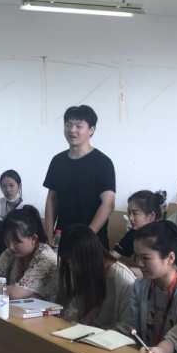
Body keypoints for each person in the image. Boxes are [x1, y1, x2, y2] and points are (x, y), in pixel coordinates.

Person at [120, 221, 177, 353]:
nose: (139, 263)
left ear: (170, 258)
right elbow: (131, 329)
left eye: (146, 258)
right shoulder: (140, 284)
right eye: (136, 257)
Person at [43, 105, 116, 247]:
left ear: (91, 130)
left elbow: (108, 204)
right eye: (68, 125)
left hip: (91, 241)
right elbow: (52, 198)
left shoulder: (103, 162)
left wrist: (86, 236)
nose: (72, 130)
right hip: (62, 238)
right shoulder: (57, 161)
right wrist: (49, 235)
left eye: (79, 126)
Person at [0, 206, 58, 301]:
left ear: (33, 239)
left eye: (16, 241)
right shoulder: (10, 253)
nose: (11, 246)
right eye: (7, 240)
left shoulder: (44, 257)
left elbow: (16, 293)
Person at [57, 224, 134, 329]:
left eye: (73, 261)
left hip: (110, 336)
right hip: (82, 332)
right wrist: (71, 320)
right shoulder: (82, 269)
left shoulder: (122, 278)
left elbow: (127, 325)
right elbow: (74, 309)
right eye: (68, 261)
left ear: (88, 255)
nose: (70, 266)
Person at [112, 190, 166, 262]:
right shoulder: (133, 233)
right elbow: (112, 256)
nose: (130, 218)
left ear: (150, 216)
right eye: (129, 212)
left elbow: (154, 269)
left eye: (135, 213)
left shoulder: (162, 237)